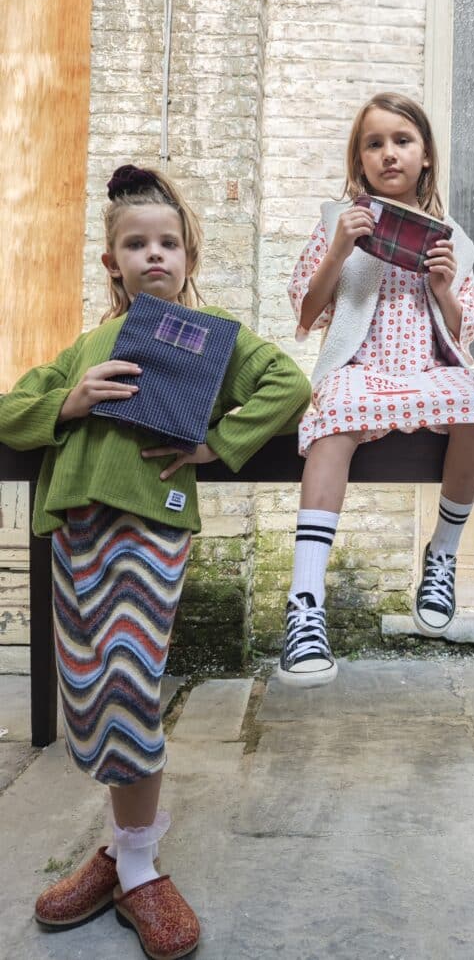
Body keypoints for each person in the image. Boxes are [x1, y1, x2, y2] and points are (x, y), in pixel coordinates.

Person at [0, 165, 310, 958]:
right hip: (72, 528)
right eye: (136, 244)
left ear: (188, 255)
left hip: (149, 523)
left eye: (168, 242)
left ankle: (138, 865)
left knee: (132, 679)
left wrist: (219, 444)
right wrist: (69, 402)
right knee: (93, 694)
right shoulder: (86, 347)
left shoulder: (212, 338)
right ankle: (117, 852)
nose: (154, 254)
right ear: (113, 262)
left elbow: (289, 382)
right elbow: (9, 409)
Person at [278, 92, 474, 686]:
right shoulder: (337, 224)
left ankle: (443, 555)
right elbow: (308, 313)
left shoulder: (453, 237)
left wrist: (447, 285)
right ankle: (304, 603)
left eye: (402, 141)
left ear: (425, 155)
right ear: (359, 160)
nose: (389, 153)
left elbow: (462, 330)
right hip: (360, 366)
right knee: (334, 415)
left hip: (426, 371)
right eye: (373, 144)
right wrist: (340, 248)